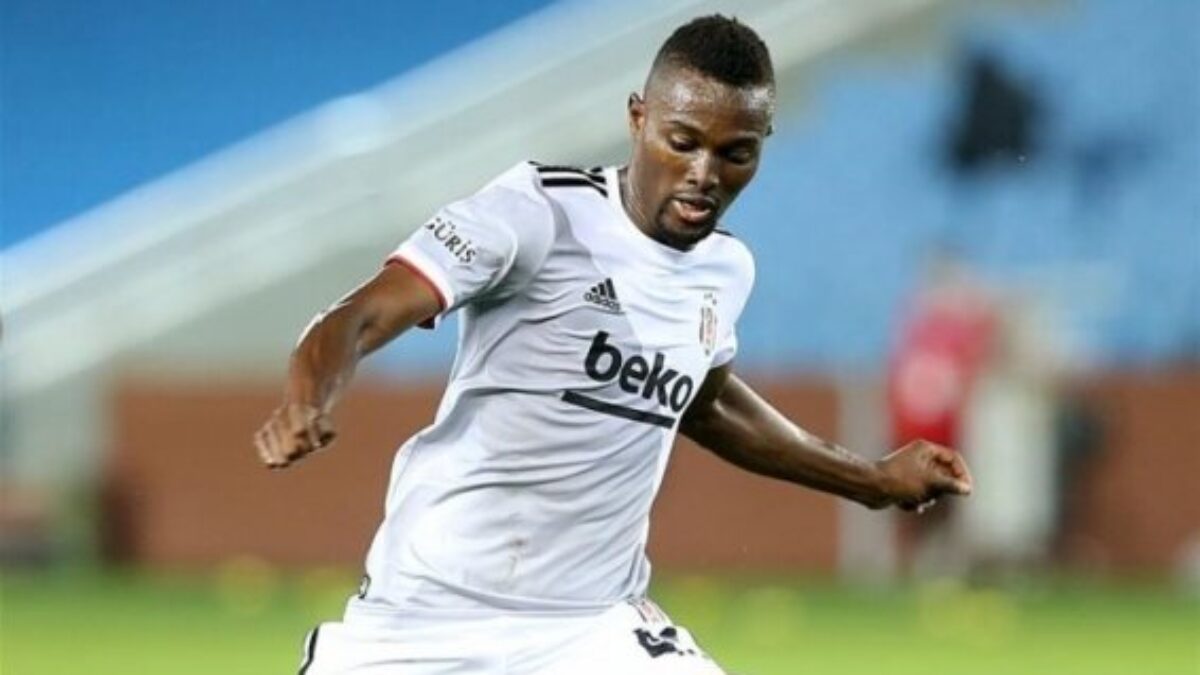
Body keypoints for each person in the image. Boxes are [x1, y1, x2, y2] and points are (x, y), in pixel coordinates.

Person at [254, 15, 973, 675]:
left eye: (736, 153)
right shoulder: (535, 213)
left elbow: (708, 406)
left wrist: (873, 481)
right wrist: (308, 397)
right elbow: (357, 316)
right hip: (428, 611)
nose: (704, 174)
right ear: (638, 117)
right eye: (682, 142)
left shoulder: (725, 270)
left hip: (587, 625)